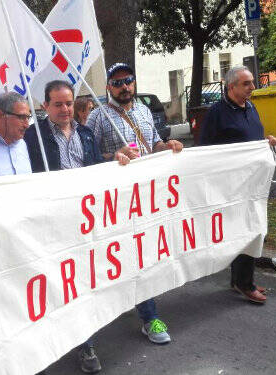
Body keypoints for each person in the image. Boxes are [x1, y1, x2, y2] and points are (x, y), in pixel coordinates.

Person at [24, 80, 131, 374]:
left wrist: (116, 162)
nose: (65, 109)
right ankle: (47, 342)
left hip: (85, 221)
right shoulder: (33, 136)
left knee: (81, 282)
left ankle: (85, 343)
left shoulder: (85, 133)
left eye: (69, 103)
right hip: (51, 222)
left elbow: (97, 169)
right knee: (55, 282)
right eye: (57, 104)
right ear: (45, 106)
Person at [86, 64, 184, 372]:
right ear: (109, 88)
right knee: (112, 260)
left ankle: (149, 317)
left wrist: (167, 147)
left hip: (146, 199)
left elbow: (153, 143)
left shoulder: (142, 109)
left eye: (128, 81)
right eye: (117, 83)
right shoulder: (98, 117)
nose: (124, 87)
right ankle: (96, 322)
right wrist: (113, 157)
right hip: (114, 202)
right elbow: (89, 157)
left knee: (143, 255)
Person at [199, 65, 276, 304]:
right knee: (247, 230)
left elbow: (251, 138)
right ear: (230, 86)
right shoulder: (217, 113)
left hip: (252, 183)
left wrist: (267, 142)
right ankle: (245, 284)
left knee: (251, 229)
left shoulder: (250, 107)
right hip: (231, 186)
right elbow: (206, 149)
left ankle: (238, 280)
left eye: (252, 82)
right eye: (246, 84)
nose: (252, 87)